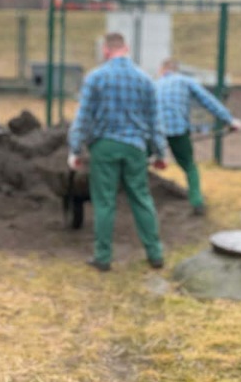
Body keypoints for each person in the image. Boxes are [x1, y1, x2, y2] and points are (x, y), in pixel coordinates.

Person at [68, 32, 167, 272]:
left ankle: (103, 258)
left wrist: (75, 149)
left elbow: (83, 118)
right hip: (135, 148)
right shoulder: (145, 80)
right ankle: (155, 254)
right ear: (127, 48)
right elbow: (155, 121)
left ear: (105, 50)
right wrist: (160, 153)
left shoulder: (95, 78)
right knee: (141, 198)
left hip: (104, 147)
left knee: (104, 202)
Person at [156, 58, 241, 216]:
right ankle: (197, 202)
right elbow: (208, 101)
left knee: (140, 164)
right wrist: (229, 121)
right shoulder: (185, 81)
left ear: (162, 71)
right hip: (178, 130)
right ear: (177, 69)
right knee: (189, 166)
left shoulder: (154, 85)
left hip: (155, 132)